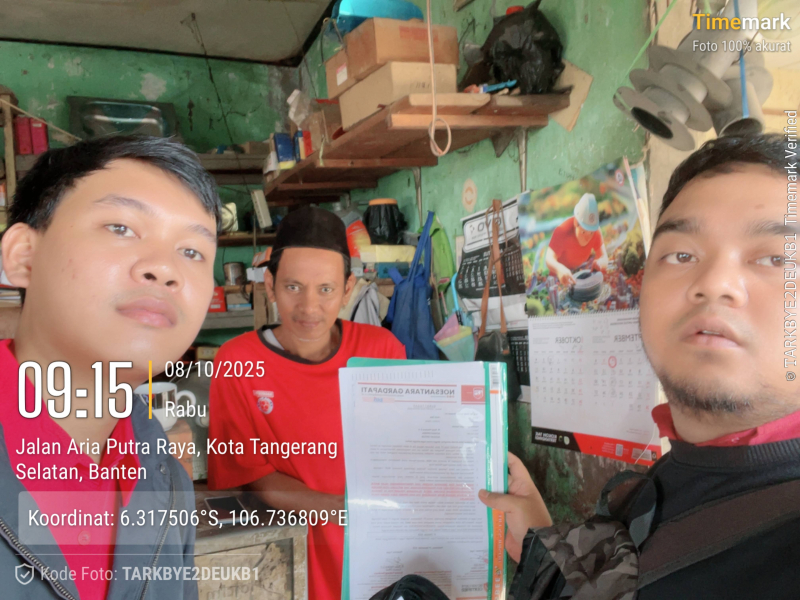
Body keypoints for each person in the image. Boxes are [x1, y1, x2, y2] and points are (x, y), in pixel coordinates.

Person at [480, 133, 800, 598]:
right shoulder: (663, 480)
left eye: (776, 258)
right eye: (682, 255)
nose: (715, 282)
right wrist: (541, 540)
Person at [0, 136, 221, 599]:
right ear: (23, 256)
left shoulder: (167, 484)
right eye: (121, 227)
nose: (164, 269)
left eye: (192, 252)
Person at [207, 206, 407, 600]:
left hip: (378, 554)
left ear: (348, 288)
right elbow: (251, 474)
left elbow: (404, 452)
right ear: (270, 285)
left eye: (326, 289)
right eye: (293, 287)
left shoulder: (381, 350)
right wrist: (340, 510)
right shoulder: (237, 361)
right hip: (293, 560)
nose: (309, 308)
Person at [546, 192, 609, 285]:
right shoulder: (562, 231)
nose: (587, 238)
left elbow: (604, 257)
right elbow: (549, 258)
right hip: (560, 279)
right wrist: (559, 269)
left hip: (580, 273)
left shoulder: (596, 231)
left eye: (591, 232)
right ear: (576, 222)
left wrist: (600, 263)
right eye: (583, 232)